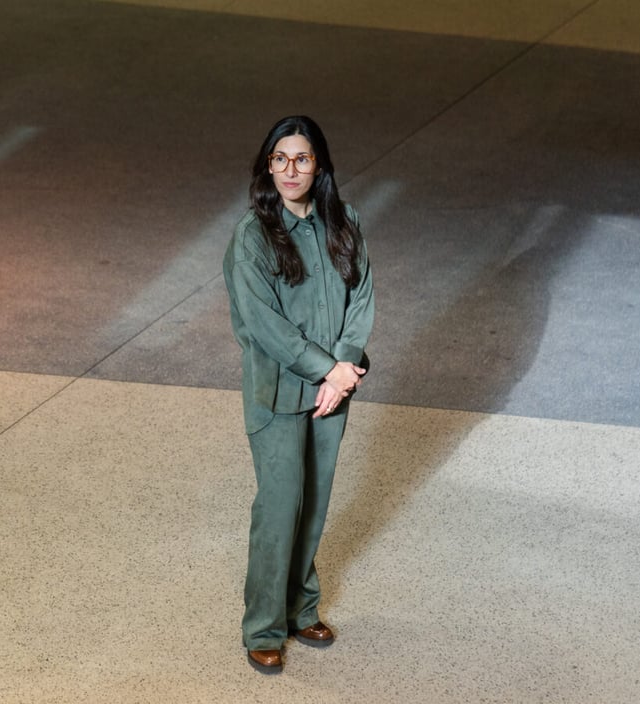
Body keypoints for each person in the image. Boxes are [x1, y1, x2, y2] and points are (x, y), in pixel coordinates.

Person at [222, 115, 374, 673]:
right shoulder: (253, 237)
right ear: (268, 166)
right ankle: (264, 625)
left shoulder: (344, 222)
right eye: (280, 159)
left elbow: (361, 301)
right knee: (280, 506)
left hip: (333, 391)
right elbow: (267, 327)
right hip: (280, 390)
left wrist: (346, 366)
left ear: (320, 165)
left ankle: (300, 607)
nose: (291, 170)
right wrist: (328, 371)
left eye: (303, 159)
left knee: (313, 507)